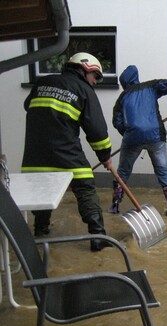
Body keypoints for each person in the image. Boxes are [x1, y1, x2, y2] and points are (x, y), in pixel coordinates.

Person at [21, 52, 113, 251]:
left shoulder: (42, 83)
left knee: (43, 190)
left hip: (34, 156)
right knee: (85, 185)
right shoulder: (84, 90)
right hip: (66, 154)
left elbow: (27, 106)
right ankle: (98, 237)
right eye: (95, 76)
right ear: (84, 68)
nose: (95, 82)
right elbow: (97, 129)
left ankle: (41, 231)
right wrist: (105, 155)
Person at [109, 65, 167, 216]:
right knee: (163, 172)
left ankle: (115, 207)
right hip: (155, 136)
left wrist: (129, 133)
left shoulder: (122, 97)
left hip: (132, 138)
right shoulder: (151, 86)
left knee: (123, 172)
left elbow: (116, 122)